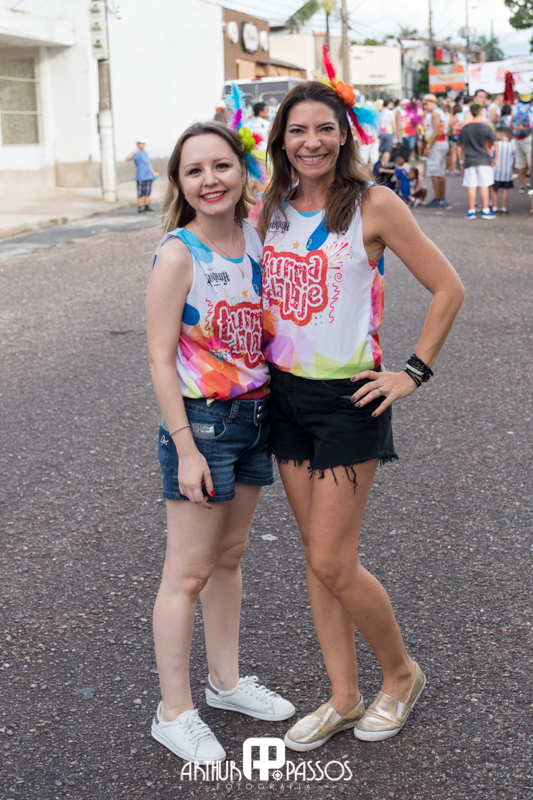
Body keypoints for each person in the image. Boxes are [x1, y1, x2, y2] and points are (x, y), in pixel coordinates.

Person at [258, 60, 465, 752]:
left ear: (344, 134)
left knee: (332, 559)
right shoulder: (271, 205)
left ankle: (401, 675)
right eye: (297, 131)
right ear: (281, 140)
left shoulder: (372, 204)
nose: (310, 141)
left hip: (349, 400)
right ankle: (343, 697)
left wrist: (412, 373)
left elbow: (448, 287)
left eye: (324, 128)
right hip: (284, 397)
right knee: (317, 559)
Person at [145, 120, 295, 764]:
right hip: (203, 426)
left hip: (256, 418)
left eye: (221, 166)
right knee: (187, 572)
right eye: (194, 170)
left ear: (242, 170)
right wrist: (185, 448)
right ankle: (174, 711)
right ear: (179, 184)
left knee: (229, 557)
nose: (210, 180)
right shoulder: (179, 254)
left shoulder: (255, 238)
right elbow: (159, 359)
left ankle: (226, 683)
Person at [458, 102, 498, 219]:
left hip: (469, 160)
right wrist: (495, 158)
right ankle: (486, 210)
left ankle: (471, 211)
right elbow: (495, 143)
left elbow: (459, 147)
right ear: (481, 112)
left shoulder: (465, 128)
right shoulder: (486, 128)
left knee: (471, 186)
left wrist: (461, 161)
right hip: (483, 160)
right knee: (484, 185)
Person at [422, 94, 449, 207]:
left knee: (434, 173)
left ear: (433, 103)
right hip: (442, 143)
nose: (425, 107)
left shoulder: (435, 114)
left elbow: (436, 131)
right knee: (440, 173)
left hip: (436, 145)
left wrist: (428, 146)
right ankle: (442, 198)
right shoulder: (440, 112)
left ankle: (438, 198)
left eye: (427, 104)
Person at [126, 138, 158, 214]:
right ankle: (140, 208)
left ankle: (147, 207)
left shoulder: (145, 152)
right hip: (141, 177)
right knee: (140, 193)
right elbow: (127, 159)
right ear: (137, 144)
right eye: (142, 143)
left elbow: (149, 163)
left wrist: (153, 172)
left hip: (148, 176)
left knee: (147, 193)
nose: (143, 145)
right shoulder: (136, 153)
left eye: (144, 144)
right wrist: (135, 151)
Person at [491, 126, 515, 215]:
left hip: (496, 171)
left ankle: (494, 207)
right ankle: (504, 208)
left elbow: (491, 155)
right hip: (507, 171)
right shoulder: (511, 145)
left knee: (494, 189)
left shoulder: (496, 144)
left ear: (501, 134)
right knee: (504, 190)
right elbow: (514, 157)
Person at [511, 94, 533, 193]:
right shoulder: (530, 109)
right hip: (528, 138)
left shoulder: (516, 107)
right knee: (530, 160)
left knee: (520, 162)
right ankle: (531, 183)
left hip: (517, 137)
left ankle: (521, 185)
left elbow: (511, 122)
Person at [448, 103, 464, 175]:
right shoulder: (464, 114)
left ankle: (453, 169)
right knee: (462, 152)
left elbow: (450, 123)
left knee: (454, 152)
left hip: (456, 134)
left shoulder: (456, 115)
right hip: (462, 134)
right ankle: (462, 169)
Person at [378, 99, 394, 165]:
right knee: (387, 150)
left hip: (380, 133)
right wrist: (395, 133)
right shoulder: (390, 113)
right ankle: (385, 164)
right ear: (388, 104)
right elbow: (393, 124)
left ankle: (377, 163)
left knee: (379, 149)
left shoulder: (379, 112)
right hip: (389, 133)